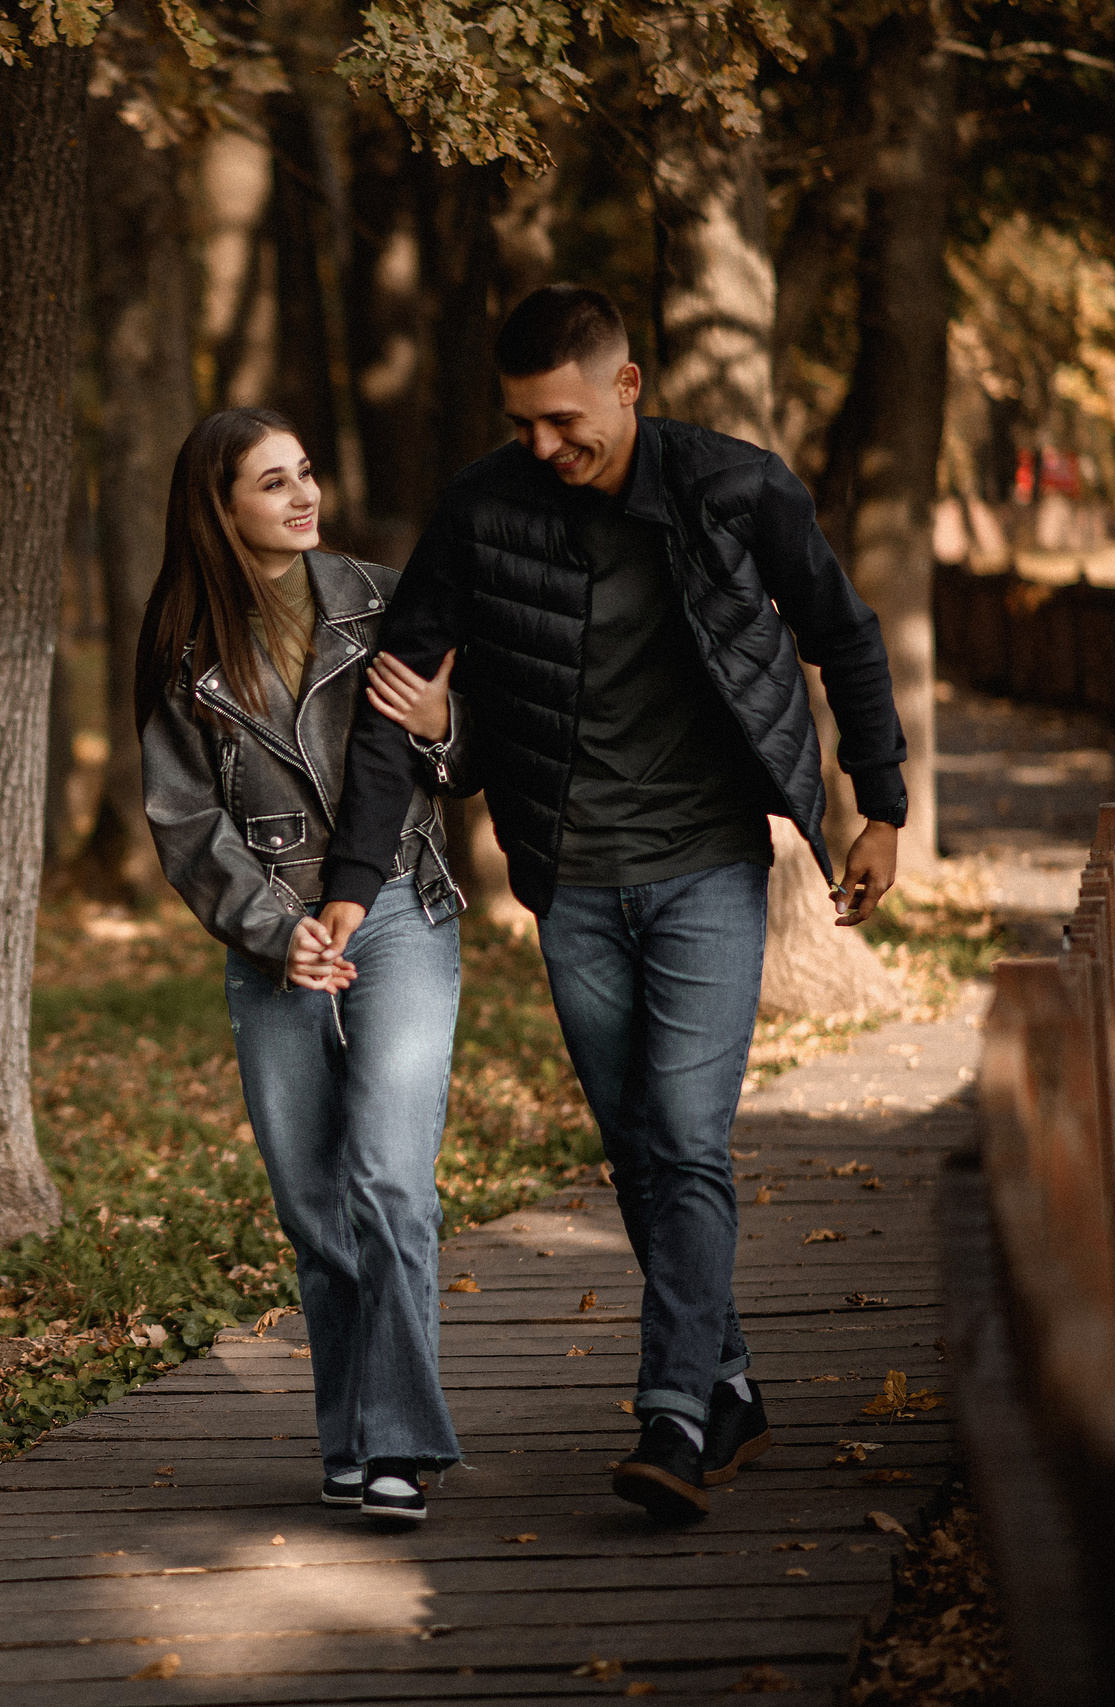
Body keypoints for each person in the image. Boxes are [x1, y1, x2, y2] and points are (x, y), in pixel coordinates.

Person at [321, 285, 907, 1525]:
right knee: (639, 1148)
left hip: (705, 867)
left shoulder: (735, 489)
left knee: (686, 1137)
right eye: (525, 423)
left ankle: (674, 1415)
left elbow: (842, 636)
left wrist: (882, 804)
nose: (544, 444)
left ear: (627, 385)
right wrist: (349, 886)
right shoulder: (482, 510)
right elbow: (399, 704)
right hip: (571, 882)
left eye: (564, 418)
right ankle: (729, 1383)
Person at [138, 407, 472, 1523]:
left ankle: (402, 1447)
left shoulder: (384, 598)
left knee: (388, 1179)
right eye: (270, 483)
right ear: (220, 507)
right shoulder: (184, 644)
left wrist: (439, 722)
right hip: (274, 937)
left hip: (400, 911)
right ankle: (351, 1437)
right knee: (315, 1209)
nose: (301, 495)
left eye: (306, 473)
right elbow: (185, 820)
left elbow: (472, 759)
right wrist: (279, 933)